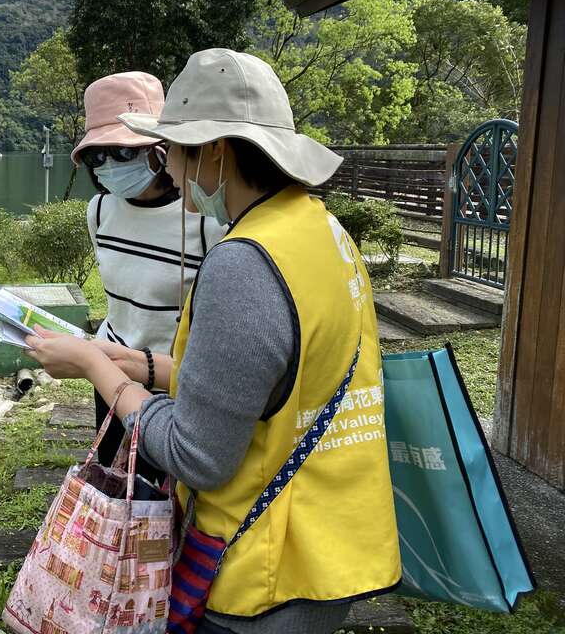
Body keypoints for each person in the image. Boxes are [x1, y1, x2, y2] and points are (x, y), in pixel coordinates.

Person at [26, 49, 401, 634]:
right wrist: (143, 365)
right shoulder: (322, 228)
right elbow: (269, 381)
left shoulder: (242, 262)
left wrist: (99, 370)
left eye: (174, 147)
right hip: (332, 537)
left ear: (215, 150)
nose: (170, 169)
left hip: (264, 562)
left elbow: (195, 456)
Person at [71, 71, 225, 481]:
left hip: (173, 382)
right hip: (109, 370)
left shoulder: (205, 220)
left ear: (161, 147)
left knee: (167, 496)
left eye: (123, 152)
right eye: (96, 157)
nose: (108, 166)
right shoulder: (99, 212)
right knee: (115, 485)